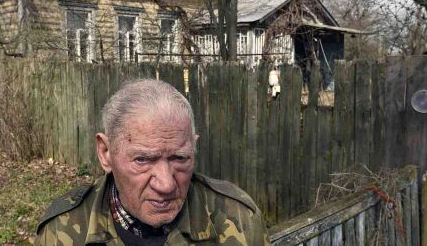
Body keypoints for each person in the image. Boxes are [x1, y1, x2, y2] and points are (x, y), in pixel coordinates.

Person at [35, 79, 270, 245]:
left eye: (180, 158)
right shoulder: (61, 230)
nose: (166, 184)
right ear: (106, 152)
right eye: (143, 160)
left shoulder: (238, 218)